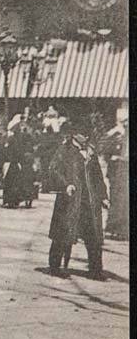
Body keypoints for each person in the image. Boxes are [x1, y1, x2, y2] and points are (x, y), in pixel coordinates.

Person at [46, 120, 108, 280]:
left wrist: (103, 196)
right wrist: (65, 184)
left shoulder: (91, 152)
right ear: (74, 134)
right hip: (70, 200)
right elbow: (53, 170)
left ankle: (95, 270)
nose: (86, 137)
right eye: (82, 134)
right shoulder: (64, 150)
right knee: (63, 234)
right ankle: (55, 266)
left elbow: (98, 177)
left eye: (87, 134)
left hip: (89, 201)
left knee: (93, 235)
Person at [102, 117, 129, 240]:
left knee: (124, 202)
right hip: (117, 173)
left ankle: (123, 230)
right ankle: (113, 228)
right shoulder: (115, 136)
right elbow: (105, 151)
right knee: (116, 200)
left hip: (123, 172)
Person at [2, 123, 38, 209]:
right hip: (19, 162)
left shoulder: (12, 139)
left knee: (12, 182)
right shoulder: (20, 139)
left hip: (14, 163)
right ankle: (17, 200)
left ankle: (11, 200)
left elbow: (8, 151)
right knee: (18, 182)